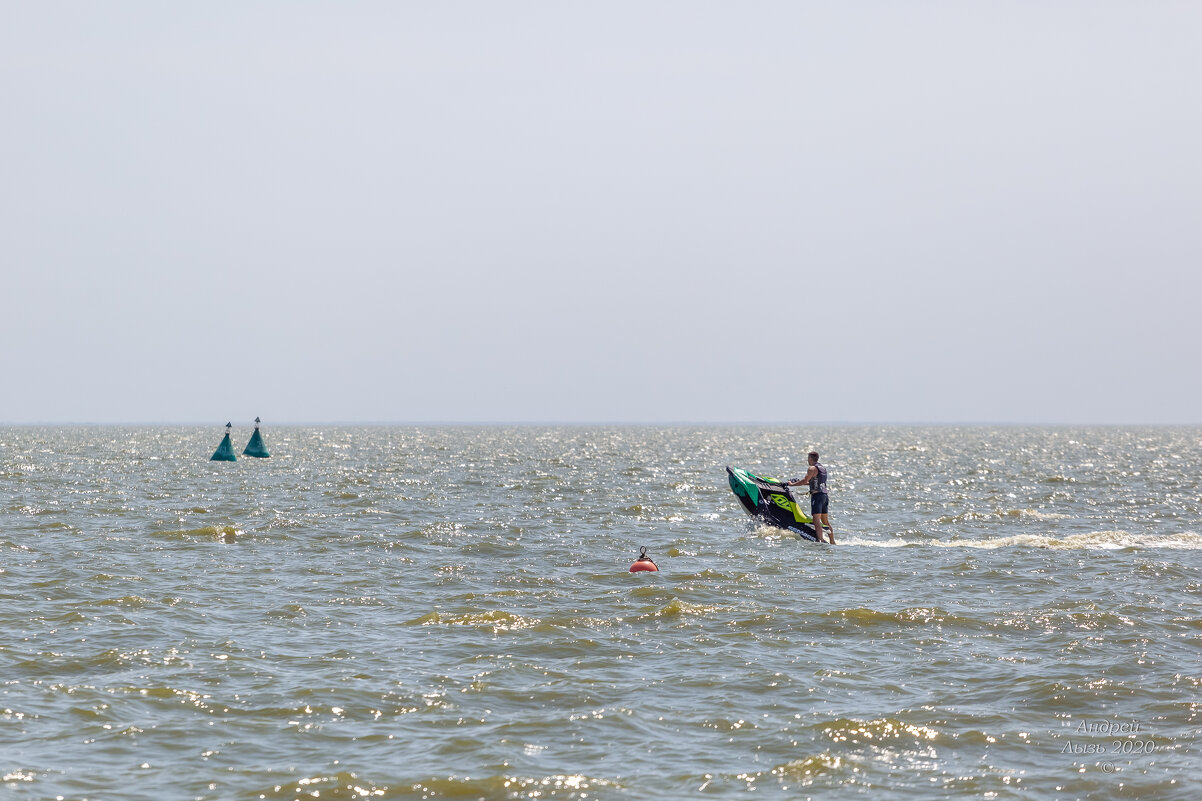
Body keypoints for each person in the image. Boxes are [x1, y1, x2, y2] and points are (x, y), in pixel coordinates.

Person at [785, 451, 834, 544]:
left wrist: (792, 484)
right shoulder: (822, 468)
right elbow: (814, 482)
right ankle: (832, 541)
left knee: (816, 521)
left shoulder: (812, 468)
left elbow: (804, 480)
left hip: (817, 497)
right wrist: (799, 482)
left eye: (808, 458)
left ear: (810, 459)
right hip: (824, 496)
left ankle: (820, 540)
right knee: (825, 521)